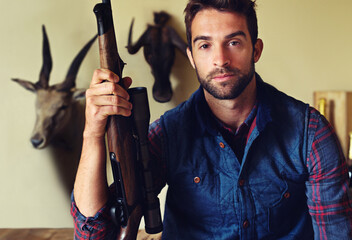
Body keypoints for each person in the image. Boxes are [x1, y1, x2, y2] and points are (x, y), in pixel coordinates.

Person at [71, 0, 352, 239]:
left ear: (256, 49)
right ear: (192, 57)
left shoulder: (311, 132)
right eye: (205, 46)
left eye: (233, 42)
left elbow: (335, 233)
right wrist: (93, 133)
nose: (220, 59)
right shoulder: (169, 134)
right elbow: (93, 233)